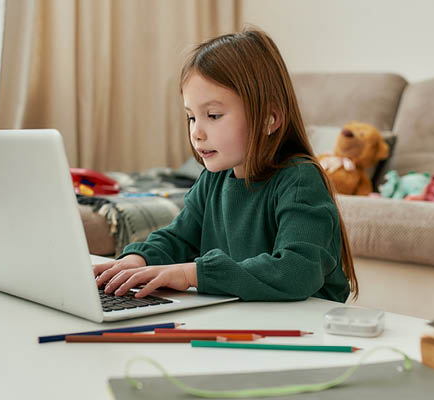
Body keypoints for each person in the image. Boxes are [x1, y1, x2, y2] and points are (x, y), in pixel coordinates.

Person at [93, 28, 358, 302]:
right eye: (191, 117)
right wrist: (139, 258)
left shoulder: (300, 180)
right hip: (246, 318)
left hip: (307, 325)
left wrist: (192, 274)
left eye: (213, 115)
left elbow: (297, 271)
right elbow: (179, 237)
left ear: (269, 118)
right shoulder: (213, 179)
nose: (196, 132)